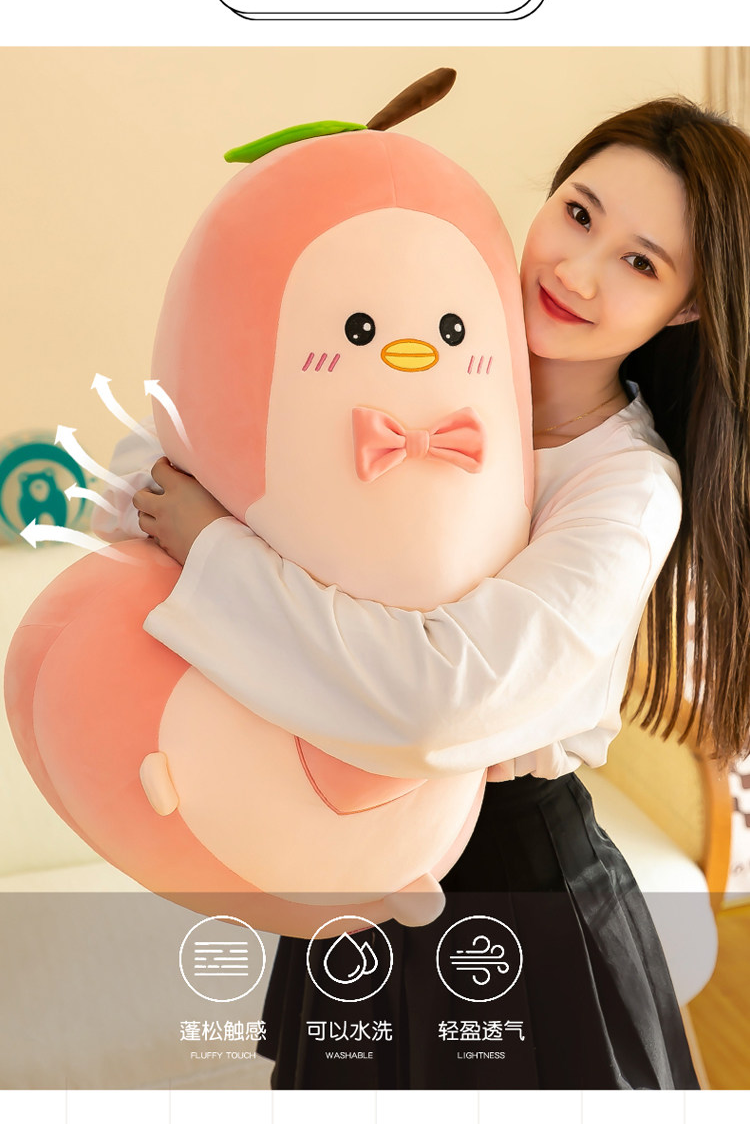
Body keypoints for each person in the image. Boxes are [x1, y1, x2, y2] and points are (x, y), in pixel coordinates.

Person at [106, 98, 750, 1089]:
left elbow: (443, 701)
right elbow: (154, 467)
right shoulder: (408, 357)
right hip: (348, 866)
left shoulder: (626, 488)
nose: (577, 272)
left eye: (639, 262)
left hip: (514, 881)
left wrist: (215, 552)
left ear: (689, 307)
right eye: (579, 214)